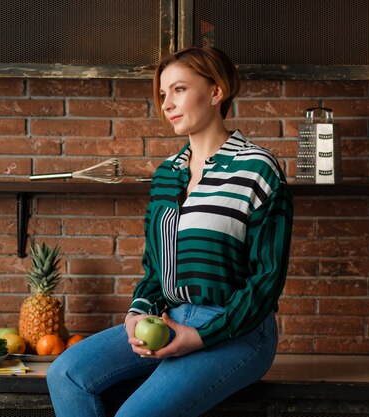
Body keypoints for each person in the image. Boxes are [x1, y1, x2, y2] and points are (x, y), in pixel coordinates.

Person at [47, 46, 294, 417]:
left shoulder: (258, 169)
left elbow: (267, 279)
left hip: (241, 330)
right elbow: (154, 268)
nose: (166, 104)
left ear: (216, 92)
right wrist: (136, 314)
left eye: (178, 89)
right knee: (65, 373)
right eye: (163, 94)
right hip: (171, 319)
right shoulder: (167, 174)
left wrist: (199, 337)